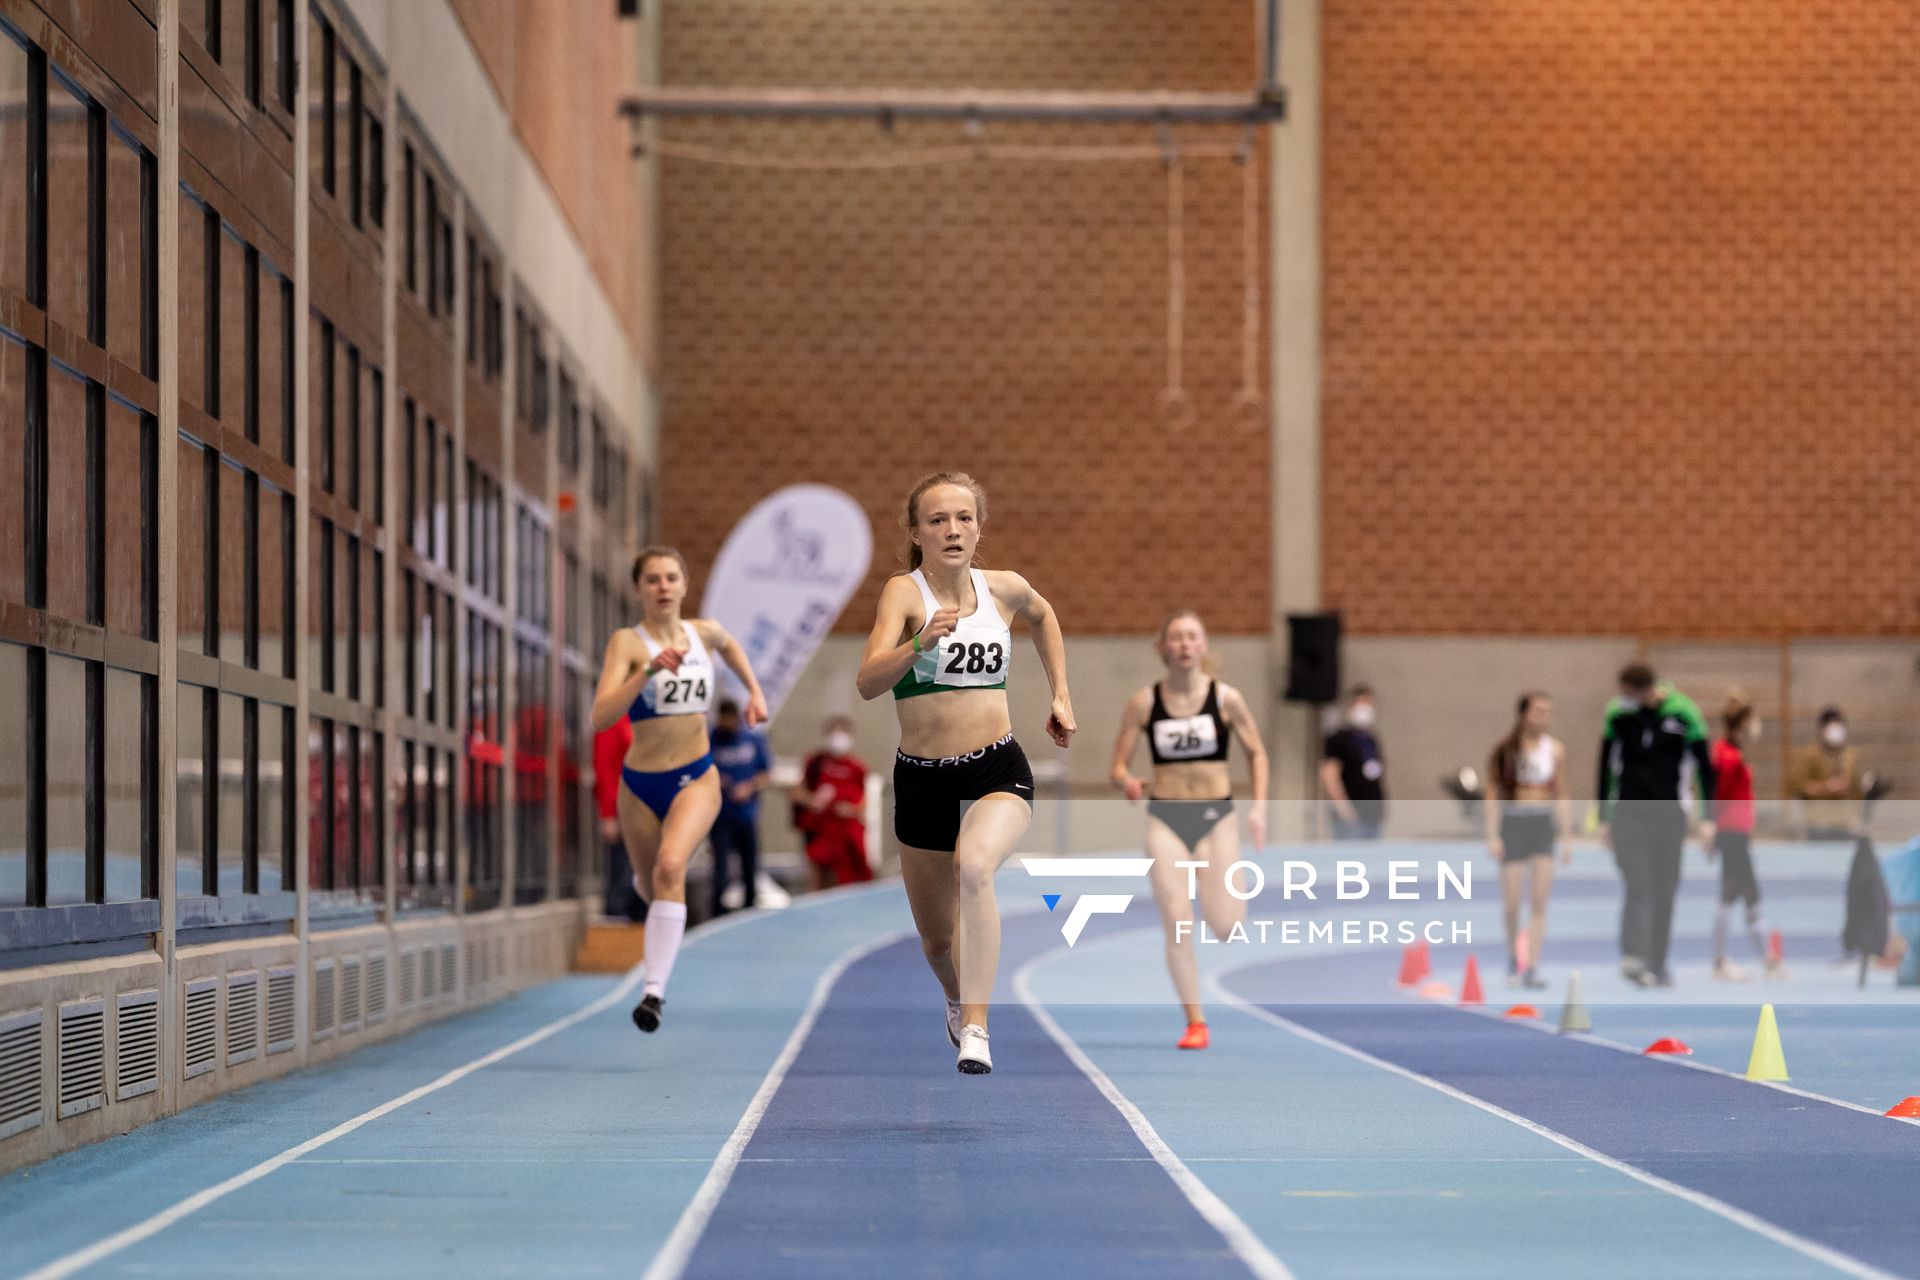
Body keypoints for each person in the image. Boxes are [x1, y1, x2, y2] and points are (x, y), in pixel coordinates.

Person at [855, 472, 1073, 1075]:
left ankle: (977, 1026)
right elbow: (869, 682)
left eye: (964, 518)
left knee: (974, 866)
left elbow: (1044, 616)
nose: (953, 530)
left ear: (979, 527)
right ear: (916, 532)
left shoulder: (1004, 589)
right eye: (937, 520)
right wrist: (917, 646)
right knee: (936, 940)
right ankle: (955, 998)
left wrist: (1062, 696)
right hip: (922, 777)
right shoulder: (904, 594)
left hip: (995, 767)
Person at [590, 546, 768, 1034]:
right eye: (652, 579)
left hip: (696, 776)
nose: (663, 586)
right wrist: (647, 673)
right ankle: (649, 892)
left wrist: (754, 691)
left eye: (671, 577)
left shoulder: (703, 632)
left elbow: (730, 646)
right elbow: (601, 716)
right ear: (639, 589)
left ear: (685, 585)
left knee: (672, 866)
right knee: (653, 885)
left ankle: (653, 992)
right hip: (640, 785)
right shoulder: (628, 643)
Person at [1109, 609, 1269, 1049]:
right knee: (1178, 921)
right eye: (1175, 637)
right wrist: (1128, 782)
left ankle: (1211, 883)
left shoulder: (1226, 699)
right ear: (1162, 648)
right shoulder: (1144, 702)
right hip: (1167, 818)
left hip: (1216, 817)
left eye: (1191, 636)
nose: (1183, 644)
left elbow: (1257, 753)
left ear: (1203, 647)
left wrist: (1259, 808)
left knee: (1226, 925)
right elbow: (1118, 765)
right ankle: (1195, 1021)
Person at [1597, 662, 1715, 988]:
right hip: (1629, 815)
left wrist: (1708, 819)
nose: (1622, 700)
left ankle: (1658, 964)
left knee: (1664, 892)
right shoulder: (1618, 716)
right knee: (1638, 882)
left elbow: (1706, 771)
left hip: (1668, 817)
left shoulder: (1684, 714)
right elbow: (1605, 768)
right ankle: (1633, 953)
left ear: (1643, 690)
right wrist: (1603, 819)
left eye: (1627, 694)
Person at [1483, 692, 1569, 990]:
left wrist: (1567, 837)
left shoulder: (1555, 750)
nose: (1544, 718)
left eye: (1548, 712)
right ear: (1524, 715)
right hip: (1514, 824)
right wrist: (1492, 834)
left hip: (1542, 825)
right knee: (1511, 903)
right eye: (1538, 711)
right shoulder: (1506, 750)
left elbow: (1560, 793)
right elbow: (1492, 794)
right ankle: (1511, 956)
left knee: (1539, 902)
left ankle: (1532, 965)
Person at [1709, 689, 1781, 980]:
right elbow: (1718, 796)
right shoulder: (1726, 757)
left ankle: (1767, 960)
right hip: (1731, 833)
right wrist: (1713, 830)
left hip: (1738, 832)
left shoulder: (1734, 753)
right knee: (1730, 895)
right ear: (1743, 722)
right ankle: (1719, 962)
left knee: (1750, 894)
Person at [707, 699, 771, 916]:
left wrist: (749, 787)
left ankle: (750, 911)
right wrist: (715, 778)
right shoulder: (710, 740)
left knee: (750, 867)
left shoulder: (752, 740)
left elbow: (765, 773)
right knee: (720, 870)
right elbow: (698, 769)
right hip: (720, 816)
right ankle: (717, 914)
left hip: (746, 815)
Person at [798, 716, 874, 890]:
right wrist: (813, 800)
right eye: (834, 733)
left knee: (848, 880)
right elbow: (798, 792)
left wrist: (851, 810)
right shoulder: (815, 763)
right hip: (821, 829)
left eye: (842, 734)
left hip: (847, 831)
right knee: (819, 877)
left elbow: (863, 803)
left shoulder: (858, 767)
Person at [591, 716, 647, 922]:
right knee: (622, 877)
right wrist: (608, 815)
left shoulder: (645, 716)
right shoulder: (614, 718)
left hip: (647, 812)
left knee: (643, 879)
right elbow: (604, 768)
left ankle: (641, 934)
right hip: (624, 812)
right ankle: (615, 935)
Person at [1789, 706, 1864, 841]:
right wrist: (1826, 788)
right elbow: (1800, 786)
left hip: (1845, 823)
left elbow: (1857, 789)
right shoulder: (1810, 754)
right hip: (1819, 824)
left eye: (1839, 724)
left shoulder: (1850, 755)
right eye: (1831, 724)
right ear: (1821, 728)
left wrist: (1857, 816)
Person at [1321, 686, 1386, 839]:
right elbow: (1330, 775)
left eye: (1368, 703)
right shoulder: (1338, 739)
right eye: (1360, 703)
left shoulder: (1370, 739)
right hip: (1350, 817)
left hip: (1372, 816)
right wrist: (1344, 810)